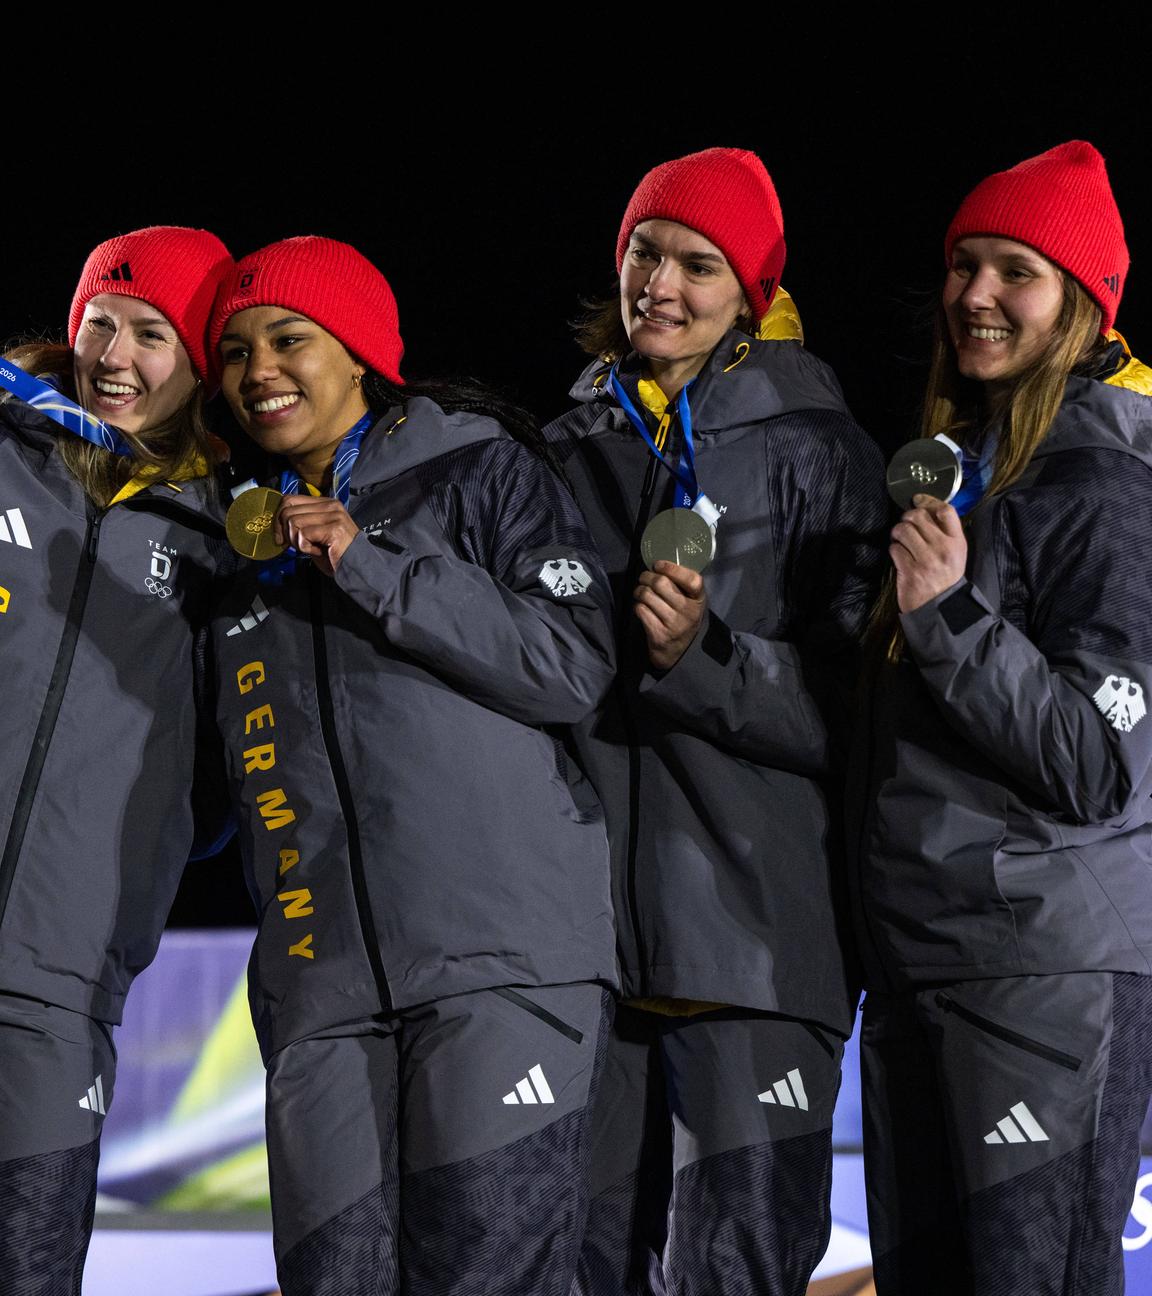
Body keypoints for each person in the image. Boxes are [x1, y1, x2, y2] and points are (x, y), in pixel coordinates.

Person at [207, 236, 618, 1296]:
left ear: (359, 352)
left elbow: (571, 664)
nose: (260, 371)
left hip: (500, 963)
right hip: (322, 991)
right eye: (236, 351)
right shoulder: (234, 539)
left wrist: (370, 564)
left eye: (288, 340)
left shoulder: (477, 465)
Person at [542, 147, 888, 1295]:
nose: (661, 285)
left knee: (733, 1274)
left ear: (753, 292)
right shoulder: (568, 447)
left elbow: (864, 715)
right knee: (585, 1270)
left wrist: (705, 660)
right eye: (645, 252)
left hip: (753, 942)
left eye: (699, 264)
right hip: (590, 947)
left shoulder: (821, 451)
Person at [851, 141, 1152, 1295]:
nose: (975, 294)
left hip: (1044, 970)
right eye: (964, 264)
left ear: (1081, 302)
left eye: (1016, 271)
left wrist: (947, 617)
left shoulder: (1106, 484)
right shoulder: (960, 472)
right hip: (925, 961)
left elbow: (1100, 763)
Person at [0, 225, 233, 1291]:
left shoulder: (223, 535)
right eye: (100, 322)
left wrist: (142, 850)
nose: (114, 355)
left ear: (199, 363)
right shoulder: (7, 446)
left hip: (65, 969)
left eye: (151, 332)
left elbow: (222, 770)